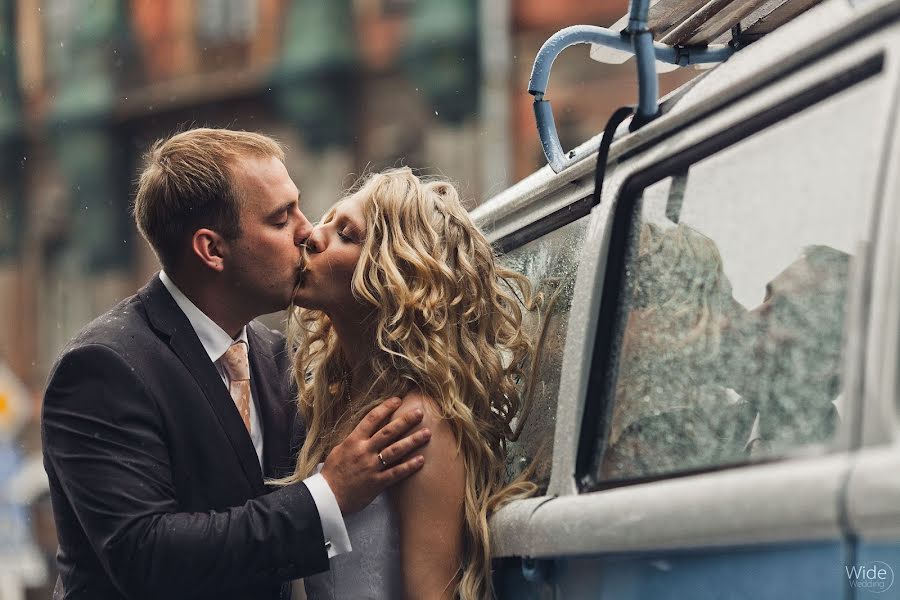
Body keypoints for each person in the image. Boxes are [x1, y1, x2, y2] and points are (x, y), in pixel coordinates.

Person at [40, 129, 431, 600]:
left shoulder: (275, 357)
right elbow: (146, 555)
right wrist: (327, 495)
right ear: (212, 249)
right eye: (280, 219)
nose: (307, 230)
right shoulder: (103, 367)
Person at [282, 167, 537, 599]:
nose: (313, 236)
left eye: (346, 234)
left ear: (396, 276)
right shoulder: (336, 402)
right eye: (328, 221)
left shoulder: (421, 421)